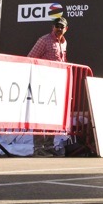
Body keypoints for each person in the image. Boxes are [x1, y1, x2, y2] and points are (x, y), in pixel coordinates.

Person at [28, 17, 69, 155]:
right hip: (42, 83)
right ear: (53, 27)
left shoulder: (64, 42)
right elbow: (30, 58)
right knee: (40, 115)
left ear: (66, 29)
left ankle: (49, 146)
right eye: (57, 26)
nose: (59, 29)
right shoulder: (44, 40)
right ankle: (38, 148)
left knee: (52, 115)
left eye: (61, 27)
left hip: (57, 84)